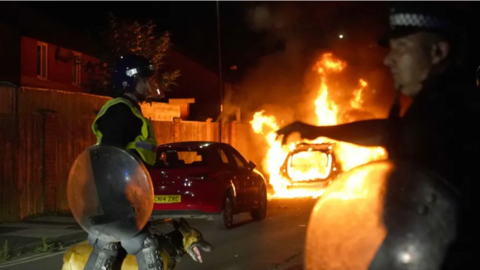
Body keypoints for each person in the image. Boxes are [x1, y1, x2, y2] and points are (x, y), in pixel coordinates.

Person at [277, 3, 477, 269]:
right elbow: (387, 132)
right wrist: (319, 131)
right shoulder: (435, 107)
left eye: (401, 47)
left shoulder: (452, 114)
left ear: (438, 51)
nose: (388, 59)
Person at [85, 54, 164, 270]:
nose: (148, 85)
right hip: (117, 197)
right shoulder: (119, 111)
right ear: (129, 81)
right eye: (144, 80)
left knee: (109, 248)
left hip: (128, 195)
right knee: (144, 245)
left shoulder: (129, 110)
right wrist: (118, 201)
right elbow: (111, 158)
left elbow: (134, 156)